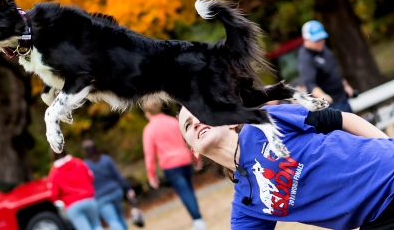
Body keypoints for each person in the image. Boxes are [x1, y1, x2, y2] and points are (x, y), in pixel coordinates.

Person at [178, 102, 394, 230]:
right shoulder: (246, 209)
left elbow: (341, 119)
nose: (196, 121)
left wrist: (388, 146)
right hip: (376, 217)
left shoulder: (264, 121)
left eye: (201, 112)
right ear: (194, 151)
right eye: (188, 125)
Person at [142, 99, 207, 230]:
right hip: (185, 161)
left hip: (171, 166)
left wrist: (151, 175)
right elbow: (187, 140)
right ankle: (198, 218)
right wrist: (196, 158)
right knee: (189, 189)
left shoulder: (149, 130)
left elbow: (149, 155)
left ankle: (198, 220)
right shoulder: (173, 121)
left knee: (185, 192)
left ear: (147, 113)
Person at [298, 20, 354, 112]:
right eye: (316, 40)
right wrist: (322, 96)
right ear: (306, 40)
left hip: (342, 97)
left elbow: (335, 69)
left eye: (321, 39)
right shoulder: (305, 59)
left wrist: (346, 85)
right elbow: (310, 84)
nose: (320, 42)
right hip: (331, 104)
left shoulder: (323, 49)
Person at [82, 140, 135, 230]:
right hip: (115, 191)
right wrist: (128, 188)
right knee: (120, 216)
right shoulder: (106, 159)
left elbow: (85, 184)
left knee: (113, 220)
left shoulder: (85, 165)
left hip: (101, 197)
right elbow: (118, 175)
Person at [48, 150, 104, 230]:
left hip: (72, 205)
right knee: (97, 225)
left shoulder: (54, 172)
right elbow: (91, 177)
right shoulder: (78, 162)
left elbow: (54, 194)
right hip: (89, 199)